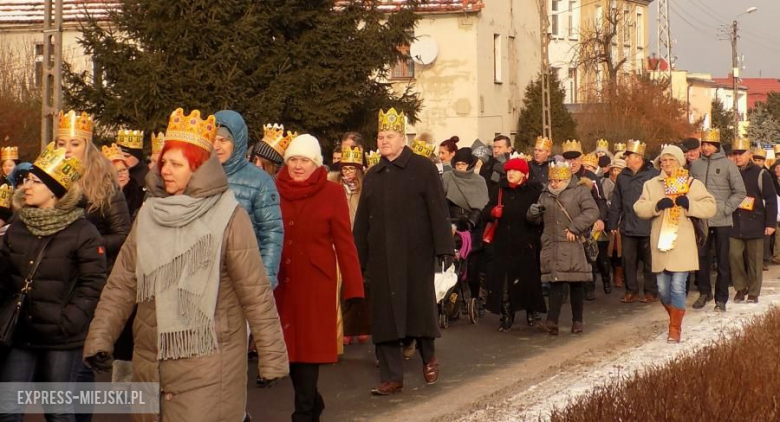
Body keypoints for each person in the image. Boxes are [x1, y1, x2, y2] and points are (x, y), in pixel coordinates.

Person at [83, 108, 288, 422]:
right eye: (164, 162)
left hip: (209, 361)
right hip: (150, 359)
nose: (165, 170)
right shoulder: (149, 214)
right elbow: (122, 283)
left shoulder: (230, 217)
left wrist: (272, 356)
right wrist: (100, 337)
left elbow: (255, 291)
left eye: (176, 164)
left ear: (198, 167)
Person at [0, 143, 107, 419]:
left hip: (61, 338)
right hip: (21, 332)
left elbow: (93, 283)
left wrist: (69, 321)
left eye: (35, 181)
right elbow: (4, 275)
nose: (26, 186)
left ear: (54, 190)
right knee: (7, 409)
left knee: (58, 411)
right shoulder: (18, 225)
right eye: (26, 180)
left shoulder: (83, 231)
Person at [354, 108, 454, 396]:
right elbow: (363, 220)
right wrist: (357, 257)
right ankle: (391, 377)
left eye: (389, 136)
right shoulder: (373, 175)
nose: (384, 141)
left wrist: (444, 248)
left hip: (415, 254)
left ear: (402, 139)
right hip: (382, 257)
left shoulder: (423, 169)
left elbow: (438, 210)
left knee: (418, 310)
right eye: (380, 137)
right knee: (385, 316)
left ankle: (428, 357)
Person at [275, 134, 364, 421]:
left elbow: (344, 243)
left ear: (316, 163)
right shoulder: (273, 189)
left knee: (308, 350)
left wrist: (354, 287)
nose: (298, 166)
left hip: (315, 283)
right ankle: (312, 400)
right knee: (287, 351)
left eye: (304, 160)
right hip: (281, 281)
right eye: (293, 160)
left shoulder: (332, 193)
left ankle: (303, 412)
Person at [634, 145, 716, 342]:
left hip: (683, 243)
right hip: (661, 243)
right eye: (664, 160)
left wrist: (689, 204)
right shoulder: (652, 184)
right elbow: (639, 207)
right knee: (663, 289)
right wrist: (656, 205)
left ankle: (674, 328)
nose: (667, 163)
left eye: (672, 160)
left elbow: (710, 206)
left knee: (678, 286)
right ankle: (675, 317)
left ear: (680, 162)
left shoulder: (691, 183)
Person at [214, 110, 284, 290]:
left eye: (223, 140)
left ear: (236, 142)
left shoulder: (260, 181)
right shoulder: (198, 174)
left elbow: (271, 233)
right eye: (212, 139)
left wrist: (265, 280)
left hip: (243, 276)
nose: (216, 146)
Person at [528, 162, 599, 335]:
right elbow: (536, 221)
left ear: (567, 179)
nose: (553, 184)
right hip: (552, 244)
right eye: (551, 180)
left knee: (576, 282)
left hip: (573, 243)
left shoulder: (580, 191)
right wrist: (533, 213)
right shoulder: (545, 194)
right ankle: (552, 322)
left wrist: (575, 227)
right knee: (556, 282)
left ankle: (577, 321)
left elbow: (592, 212)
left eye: (558, 180)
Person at [482, 154, 546, 330]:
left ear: (524, 174)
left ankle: (532, 311)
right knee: (505, 283)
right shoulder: (500, 190)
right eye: (509, 170)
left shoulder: (534, 192)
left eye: (515, 171)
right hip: (503, 243)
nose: (510, 173)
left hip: (526, 242)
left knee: (528, 280)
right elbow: (485, 211)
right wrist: (492, 212)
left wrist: (535, 221)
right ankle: (506, 314)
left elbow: (542, 216)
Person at [689, 129, 747, 312]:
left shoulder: (728, 165)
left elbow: (740, 192)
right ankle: (704, 292)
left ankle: (721, 298)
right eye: (704, 144)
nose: (706, 147)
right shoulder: (695, 166)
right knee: (701, 258)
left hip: (722, 220)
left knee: (722, 260)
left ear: (716, 145)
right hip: (702, 219)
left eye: (709, 144)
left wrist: (725, 209)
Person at [328, 144, 371, 347]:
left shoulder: (364, 189)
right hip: (338, 242)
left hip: (358, 242)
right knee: (340, 287)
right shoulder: (334, 186)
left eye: (352, 168)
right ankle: (344, 328)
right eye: (345, 168)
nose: (348, 173)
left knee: (358, 286)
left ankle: (360, 326)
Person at [607, 140, 660, 303]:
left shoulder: (653, 175)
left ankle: (651, 291)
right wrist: (613, 222)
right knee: (627, 260)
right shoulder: (623, 176)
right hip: (628, 225)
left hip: (648, 225)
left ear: (638, 157)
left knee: (650, 261)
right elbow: (616, 200)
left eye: (628, 156)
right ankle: (631, 290)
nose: (626, 159)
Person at [442, 147, 489, 314]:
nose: (460, 167)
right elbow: (441, 201)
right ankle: (452, 301)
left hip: (473, 226)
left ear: (470, 164)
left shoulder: (479, 181)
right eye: (458, 164)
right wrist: (447, 221)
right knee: (453, 267)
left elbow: (481, 205)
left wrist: (471, 222)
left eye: (463, 164)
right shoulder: (447, 178)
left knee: (473, 268)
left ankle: (475, 299)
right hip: (452, 227)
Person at [729, 140, 777, 303]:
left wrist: (770, 223)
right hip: (734, 223)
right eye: (735, 154)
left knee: (754, 259)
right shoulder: (730, 172)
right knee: (734, 256)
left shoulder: (760, 173)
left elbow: (770, 199)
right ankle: (740, 288)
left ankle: (754, 291)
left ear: (749, 154)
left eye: (741, 153)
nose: (737, 157)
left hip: (755, 222)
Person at [562, 141, 608, 301]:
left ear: (581, 158)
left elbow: (600, 200)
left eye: (575, 159)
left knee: (588, 257)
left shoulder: (591, 177)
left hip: (587, 224)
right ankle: (564, 290)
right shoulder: (559, 176)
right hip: (566, 224)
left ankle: (589, 287)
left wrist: (600, 218)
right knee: (565, 257)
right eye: (568, 159)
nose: (572, 162)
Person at [604, 159, 626, 288]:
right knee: (611, 250)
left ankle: (619, 274)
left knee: (621, 250)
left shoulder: (626, 182)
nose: (616, 172)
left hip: (623, 218)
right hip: (609, 219)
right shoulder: (606, 182)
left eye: (619, 170)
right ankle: (613, 274)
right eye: (614, 169)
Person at [116, 129, 148, 204]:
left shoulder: (147, 177)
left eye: (127, 156)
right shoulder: (112, 172)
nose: (123, 159)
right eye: (120, 155)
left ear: (137, 157)